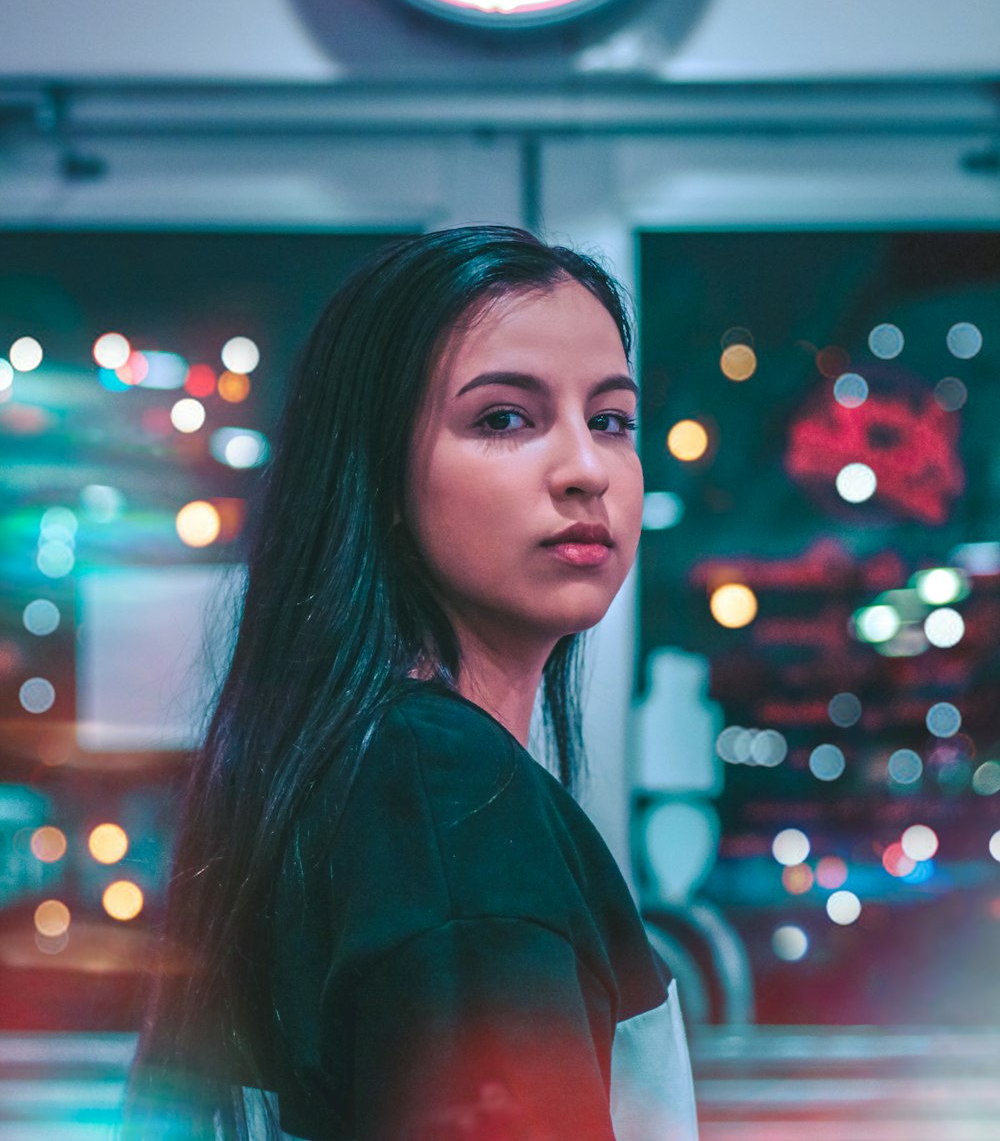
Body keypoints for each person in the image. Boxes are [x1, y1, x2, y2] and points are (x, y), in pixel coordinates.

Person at [125, 225, 698, 1140]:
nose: (586, 469)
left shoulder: (362, 768)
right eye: (504, 418)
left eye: (611, 420)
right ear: (380, 473)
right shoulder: (446, 803)